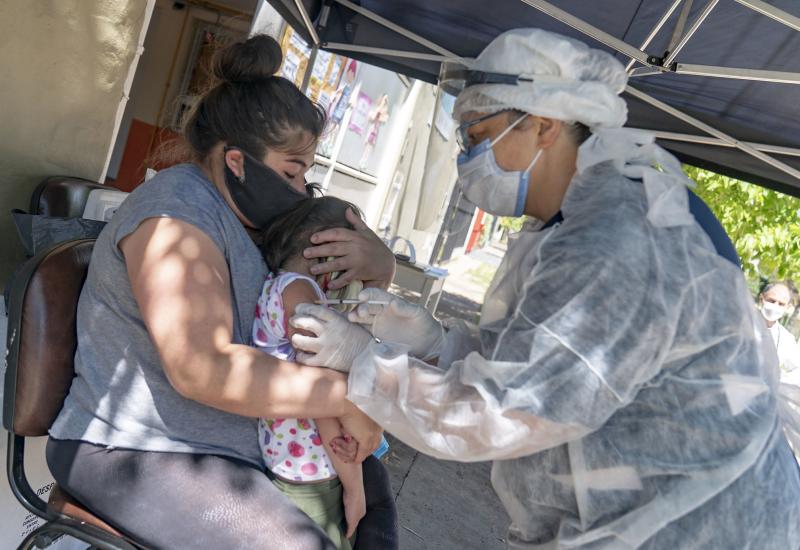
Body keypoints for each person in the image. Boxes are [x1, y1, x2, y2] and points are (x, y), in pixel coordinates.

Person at [291, 28, 800, 548]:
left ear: (542, 125)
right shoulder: (572, 221)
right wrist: (437, 345)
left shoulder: (617, 237)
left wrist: (364, 361)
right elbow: (543, 360)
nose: (465, 156)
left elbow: (507, 409)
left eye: (476, 136)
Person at [45, 35, 398, 549]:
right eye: (292, 172)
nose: (301, 191)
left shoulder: (254, 224)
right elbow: (203, 368)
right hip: (133, 449)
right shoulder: (175, 216)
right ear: (236, 161)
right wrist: (347, 397)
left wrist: (380, 268)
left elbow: (323, 321)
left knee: (375, 506)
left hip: (232, 448)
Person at [254, 196, 373, 550]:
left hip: (286, 459)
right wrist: (355, 489)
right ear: (328, 253)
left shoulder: (275, 285)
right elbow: (319, 397)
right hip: (312, 472)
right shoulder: (303, 294)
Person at [759, 281, 800, 378]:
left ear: (787, 307)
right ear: (762, 299)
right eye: (771, 301)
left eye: (781, 304)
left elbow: (794, 371)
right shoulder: (740, 325)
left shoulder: (787, 340)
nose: (775, 306)